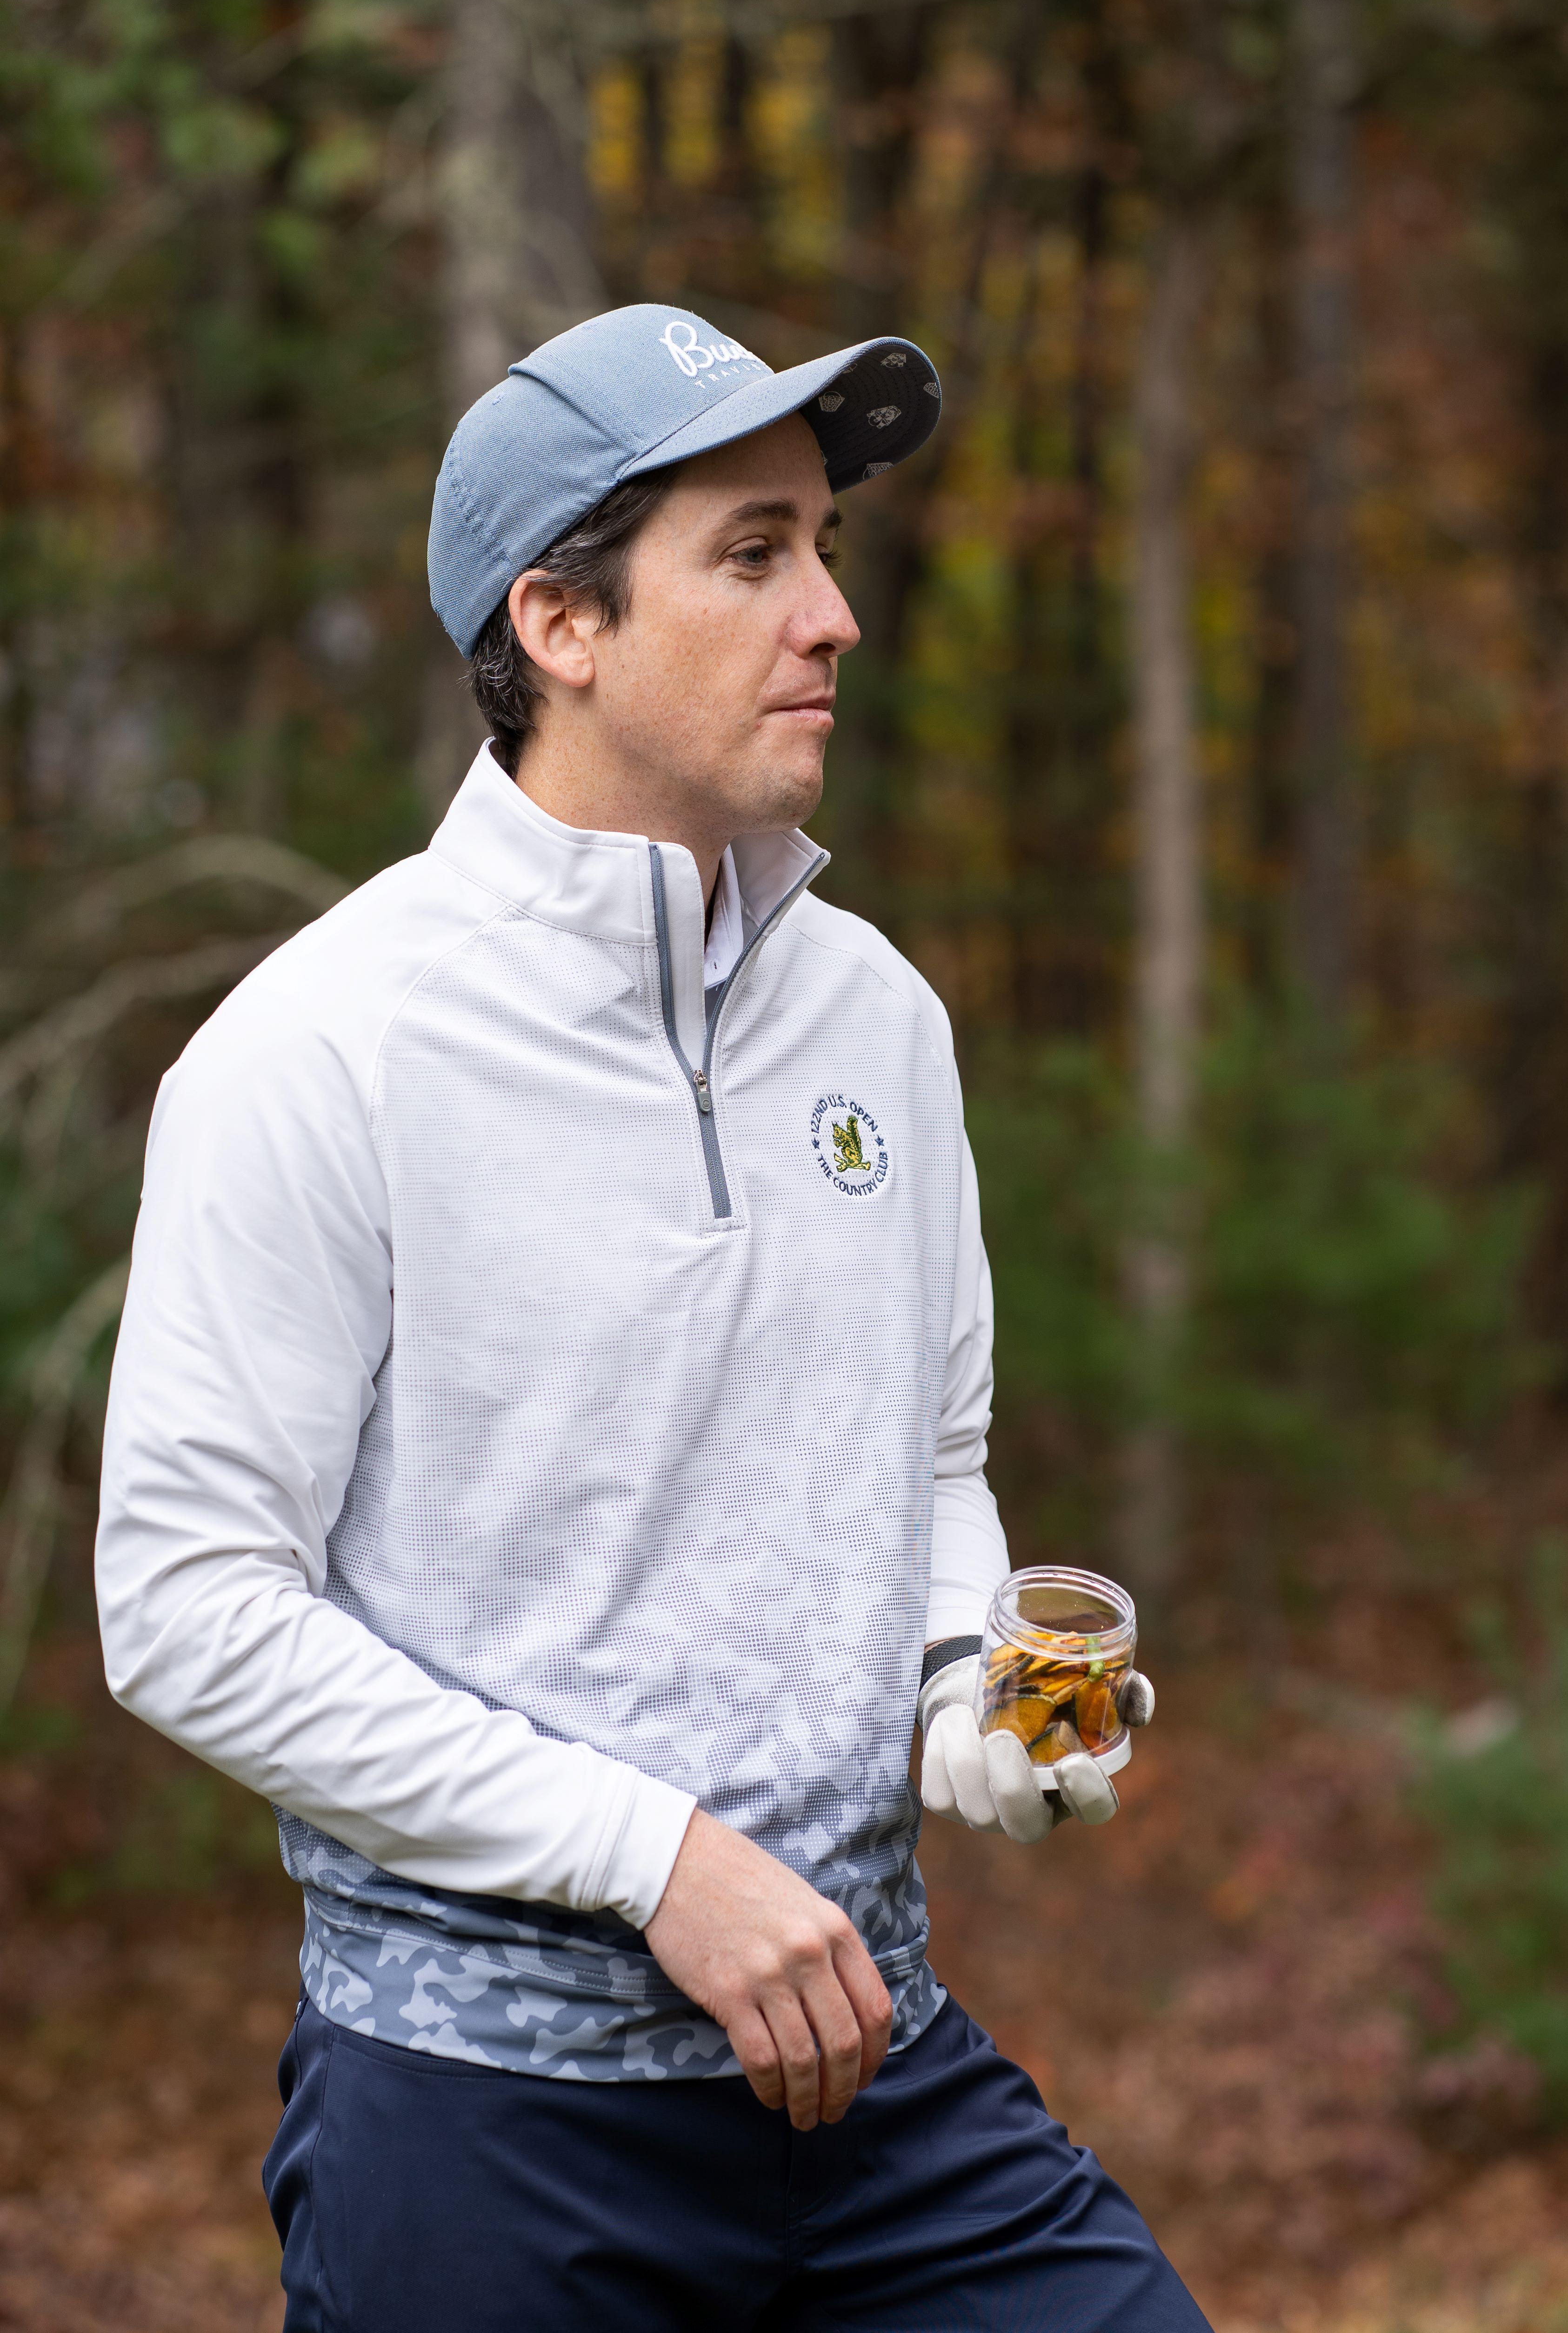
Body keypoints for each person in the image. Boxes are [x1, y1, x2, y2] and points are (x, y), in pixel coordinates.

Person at [95, 303, 1208, 2331]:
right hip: (486, 2129)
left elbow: (928, 1458)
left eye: (831, 549)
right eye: (755, 550)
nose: (834, 618)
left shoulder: (880, 1014)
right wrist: (657, 1858)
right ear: (561, 623)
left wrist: (973, 1693)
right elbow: (186, 1608)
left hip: (877, 2084)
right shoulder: (319, 1052)